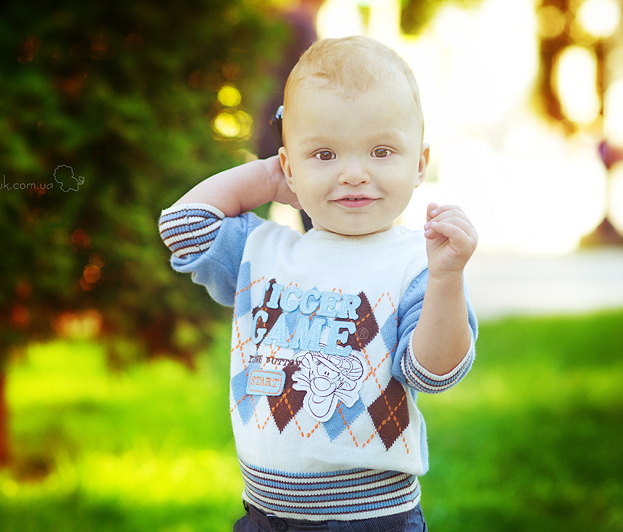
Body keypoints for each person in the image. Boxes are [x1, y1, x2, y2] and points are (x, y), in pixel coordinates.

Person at [158, 35, 478, 532]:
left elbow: (433, 373)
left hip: (371, 519)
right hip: (266, 516)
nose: (353, 174)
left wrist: (448, 277)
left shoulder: (418, 264)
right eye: (324, 154)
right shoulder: (263, 252)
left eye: (381, 151)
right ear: (290, 165)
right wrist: (269, 179)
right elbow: (183, 226)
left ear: (419, 163)